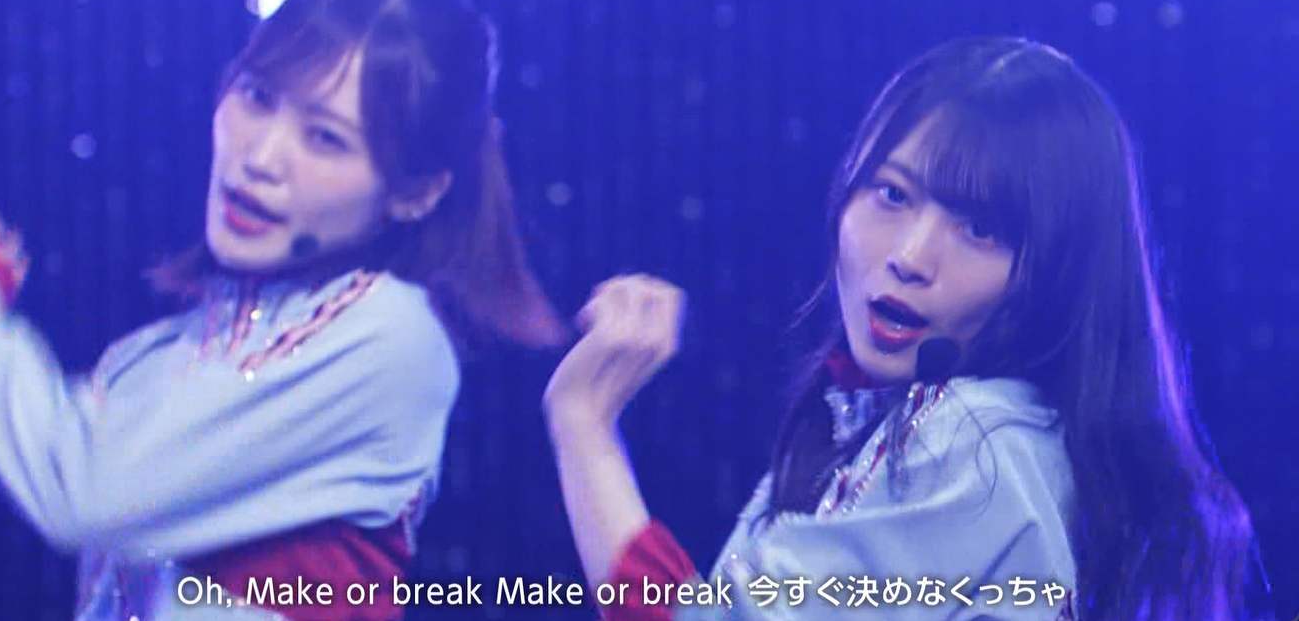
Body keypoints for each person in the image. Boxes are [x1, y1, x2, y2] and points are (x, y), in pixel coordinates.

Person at [542, 37, 1273, 620]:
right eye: (892, 194)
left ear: (1056, 272)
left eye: (981, 228)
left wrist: (584, 425)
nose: (911, 256)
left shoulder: (978, 436)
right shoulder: (902, 424)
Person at [0, 0, 564, 620]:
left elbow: (87, 492)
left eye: (325, 138)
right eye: (258, 97)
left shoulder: (392, 337)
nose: (260, 158)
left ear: (415, 193)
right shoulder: (149, 356)